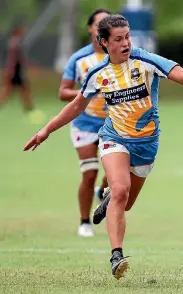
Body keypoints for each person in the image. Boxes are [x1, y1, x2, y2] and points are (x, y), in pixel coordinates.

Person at [24, 14, 183, 280]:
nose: (125, 43)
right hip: (114, 138)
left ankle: (110, 196)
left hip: (147, 144)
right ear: (104, 42)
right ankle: (116, 255)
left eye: (127, 37)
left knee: (125, 203)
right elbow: (76, 106)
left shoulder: (145, 60)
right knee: (121, 191)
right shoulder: (98, 74)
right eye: (118, 39)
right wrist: (46, 130)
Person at [59, 8, 111, 238]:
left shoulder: (119, 58)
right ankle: (84, 221)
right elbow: (63, 92)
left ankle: (103, 191)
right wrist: (87, 92)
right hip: (85, 123)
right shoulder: (80, 59)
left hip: (114, 125)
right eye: (98, 24)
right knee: (89, 173)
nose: (101, 28)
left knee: (114, 173)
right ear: (90, 28)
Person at [0, 23, 45, 123]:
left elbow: (20, 59)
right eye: (22, 30)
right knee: (9, 92)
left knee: (23, 91)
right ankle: (30, 110)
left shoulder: (15, 42)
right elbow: (13, 59)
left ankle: (29, 110)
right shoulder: (14, 43)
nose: (23, 32)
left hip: (16, 71)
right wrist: (10, 71)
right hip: (14, 72)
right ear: (17, 31)